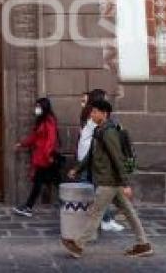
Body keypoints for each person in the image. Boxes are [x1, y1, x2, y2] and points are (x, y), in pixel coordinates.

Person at [65, 100, 153, 258]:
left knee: (96, 213)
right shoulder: (98, 131)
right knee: (129, 212)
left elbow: (117, 157)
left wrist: (125, 183)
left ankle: (78, 245)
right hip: (111, 181)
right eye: (91, 112)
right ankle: (143, 244)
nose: (92, 115)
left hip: (109, 181)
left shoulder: (108, 132)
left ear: (104, 114)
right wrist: (77, 169)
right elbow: (91, 156)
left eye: (95, 112)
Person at [77, 89, 123, 232]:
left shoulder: (86, 113)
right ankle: (105, 220)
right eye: (105, 98)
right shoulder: (96, 117)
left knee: (93, 189)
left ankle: (101, 219)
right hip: (91, 158)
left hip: (85, 157)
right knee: (102, 189)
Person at [13, 97, 59, 217]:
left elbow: (51, 139)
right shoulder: (41, 121)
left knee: (41, 183)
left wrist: (47, 154)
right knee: (53, 182)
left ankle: (28, 207)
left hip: (45, 158)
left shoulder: (49, 121)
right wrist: (22, 144)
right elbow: (34, 137)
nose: (36, 109)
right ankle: (66, 204)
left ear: (44, 107)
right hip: (41, 157)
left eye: (38, 106)